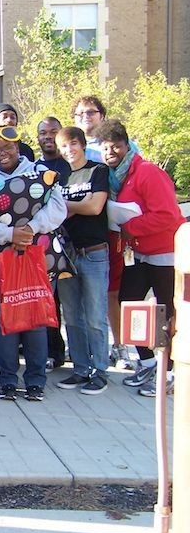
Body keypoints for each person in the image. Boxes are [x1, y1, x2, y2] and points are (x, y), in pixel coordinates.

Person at [0, 126, 67, 402]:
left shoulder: (40, 173)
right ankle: (7, 380)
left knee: (36, 320)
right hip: (0, 261)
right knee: (5, 320)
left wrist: (31, 229)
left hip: (37, 259)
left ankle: (35, 381)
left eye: (8, 148)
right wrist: (9, 234)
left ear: (18, 147)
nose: (3, 154)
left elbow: (57, 208)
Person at [96, 120, 184, 397]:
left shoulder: (147, 172)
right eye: (105, 148)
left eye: (116, 146)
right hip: (137, 252)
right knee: (129, 302)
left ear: (127, 146)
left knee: (167, 312)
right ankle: (148, 363)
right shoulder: (114, 177)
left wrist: (131, 227)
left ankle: (170, 372)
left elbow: (168, 215)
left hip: (165, 252)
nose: (110, 152)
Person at [72, 96, 138, 369]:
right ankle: (83, 350)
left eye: (91, 112)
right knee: (78, 298)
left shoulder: (122, 146)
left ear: (102, 115)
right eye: (80, 113)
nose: (86, 117)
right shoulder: (74, 148)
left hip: (118, 230)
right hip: (83, 234)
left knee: (113, 292)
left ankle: (119, 347)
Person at [53, 126, 111, 395]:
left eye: (73, 144)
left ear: (83, 144)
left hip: (94, 253)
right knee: (72, 316)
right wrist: (79, 205)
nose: (69, 150)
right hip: (67, 254)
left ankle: (100, 371)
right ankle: (80, 368)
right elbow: (55, 212)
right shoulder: (60, 178)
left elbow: (95, 207)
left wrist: (69, 207)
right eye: (64, 146)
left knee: (95, 317)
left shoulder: (98, 171)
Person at [35, 117, 68, 371]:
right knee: (48, 299)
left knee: (76, 306)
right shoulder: (34, 169)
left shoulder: (73, 163)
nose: (48, 136)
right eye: (43, 133)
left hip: (80, 243)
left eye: (53, 132)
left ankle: (83, 357)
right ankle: (52, 352)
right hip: (47, 244)